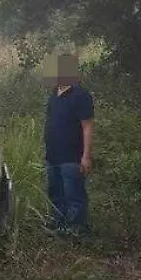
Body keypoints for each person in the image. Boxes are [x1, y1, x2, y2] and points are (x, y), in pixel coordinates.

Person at [44, 53, 95, 237]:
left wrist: (86, 156)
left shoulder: (81, 95)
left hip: (72, 157)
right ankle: (59, 224)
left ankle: (77, 230)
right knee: (56, 193)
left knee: (74, 195)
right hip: (53, 155)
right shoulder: (54, 94)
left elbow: (87, 127)